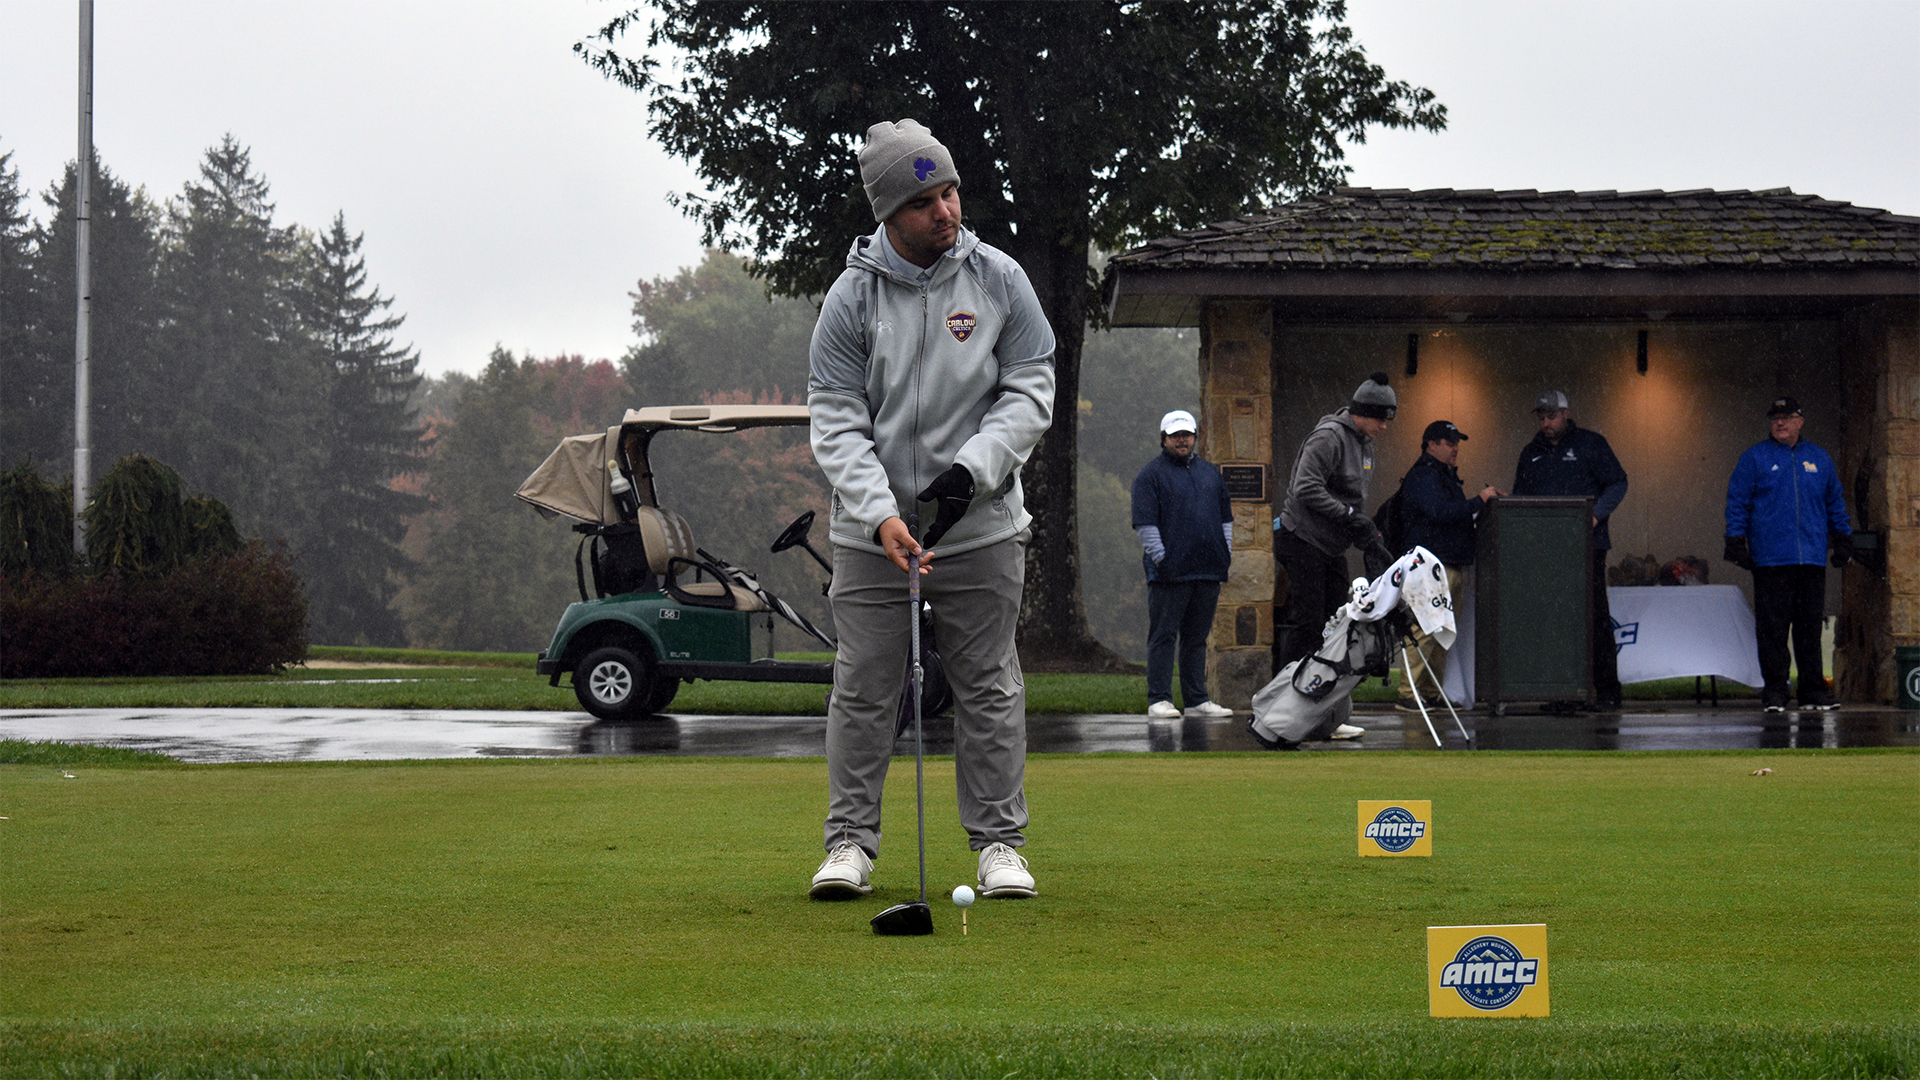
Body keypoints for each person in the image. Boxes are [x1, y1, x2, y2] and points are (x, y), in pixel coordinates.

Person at [804, 119, 1055, 903]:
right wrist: (880, 514)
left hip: (980, 527)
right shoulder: (851, 299)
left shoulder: (1000, 279)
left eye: (949, 191)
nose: (945, 211)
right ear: (888, 213)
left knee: (989, 685)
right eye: (922, 201)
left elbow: (1031, 384)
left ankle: (1000, 845)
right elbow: (837, 415)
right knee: (865, 687)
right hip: (870, 534)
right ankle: (848, 843)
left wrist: (970, 474)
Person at [1268, 371, 1398, 742]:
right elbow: (1305, 487)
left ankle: (1326, 716)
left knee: (1336, 628)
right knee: (1307, 625)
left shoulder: (1364, 444)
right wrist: (1348, 516)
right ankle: (1286, 715)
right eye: (1381, 418)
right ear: (1363, 412)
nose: (1384, 427)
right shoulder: (1329, 438)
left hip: (1330, 546)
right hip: (1302, 539)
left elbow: (1352, 499)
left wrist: (1363, 531)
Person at [1723, 396, 1853, 712]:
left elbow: (1834, 500)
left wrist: (1843, 536)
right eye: (1775, 418)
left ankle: (1812, 691)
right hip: (1770, 560)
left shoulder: (1819, 459)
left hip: (1810, 557)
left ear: (1800, 421)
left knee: (1809, 627)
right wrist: (1735, 538)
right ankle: (1776, 692)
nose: (1780, 422)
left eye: (1786, 417)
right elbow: (1737, 500)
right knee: (1773, 630)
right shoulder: (1754, 458)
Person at [1511, 390, 1629, 709]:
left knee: (1594, 617)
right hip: (1547, 550)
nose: (1546, 423)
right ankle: (1561, 691)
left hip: (1586, 546)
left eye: (1551, 416)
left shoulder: (1591, 444)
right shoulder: (1530, 452)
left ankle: (1606, 690)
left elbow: (1618, 482)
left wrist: (1595, 514)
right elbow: (1520, 498)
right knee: (1553, 620)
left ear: (1565, 414)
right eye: (1541, 417)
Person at [1131, 409, 1235, 720]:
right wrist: (1163, 558)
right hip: (1169, 573)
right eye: (1175, 436)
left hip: (1207, 570)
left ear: (1194, 437)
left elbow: (1225, 519)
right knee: (1164, 636)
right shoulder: (1150, 476)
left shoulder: (1210, 474)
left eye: (1186, 435)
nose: (1182, 440)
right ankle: (1159, 698)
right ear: (1163, 439)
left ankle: (1196, 699)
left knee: (1196, 638)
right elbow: (1145, 524)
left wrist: (1224, 553)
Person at [1396, 420, 1501, 710]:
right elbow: (1439, 512)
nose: (1456, 448)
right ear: (1432, 445)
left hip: (1447, 566)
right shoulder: (1424, 476)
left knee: (1441, 631)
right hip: (1429, 567)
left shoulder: (1443, 476)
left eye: (1457, 443)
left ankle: (1429, 692)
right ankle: (1410, 694)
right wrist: (1478, 501)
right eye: (1449, 442)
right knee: (1424, 630)